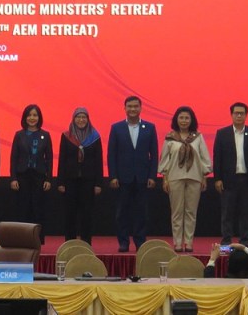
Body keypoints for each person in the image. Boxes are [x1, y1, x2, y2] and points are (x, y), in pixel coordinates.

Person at [107, 96, 158, 252]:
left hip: (143, 177)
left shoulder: (150, 127)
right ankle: (123, 242)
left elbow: (154, 154)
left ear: (140, 108)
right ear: (125, 108)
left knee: (141, 212)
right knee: (122, 212)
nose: (133, 109)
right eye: (129, 106)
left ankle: (140, 242)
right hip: (122, 177)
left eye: (136, 106)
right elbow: (111, 154)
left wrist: (152, 176)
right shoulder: (116, 128)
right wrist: (113, 176)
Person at [158, 106, 212, 252]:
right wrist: (165, 179)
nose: (184, 120)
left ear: (191, 120)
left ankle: (188, 242)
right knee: (177, 212)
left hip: (195, 177)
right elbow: (165, 159)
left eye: (187, 118)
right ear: (176, 119)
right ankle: (177, 242)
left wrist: (204, 177)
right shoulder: (170, 137)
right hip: (174, 177)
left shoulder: (198, 137)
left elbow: (204, 157)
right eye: (181, 117)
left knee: (191, 212)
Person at [213, 102, 248, 248]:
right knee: (227, 212)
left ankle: (245, 242)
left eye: (242, 113)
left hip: (247, 179)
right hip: (228, 179)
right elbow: (217, 157)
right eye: (236, 113)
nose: (239, 116)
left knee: (245, 212)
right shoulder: (222, 133)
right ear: (232, 115)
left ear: (246, 115)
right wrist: (217, 178)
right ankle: (226, 242)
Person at [57, 107, 103, 245]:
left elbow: (98, 161)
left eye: (84, 117)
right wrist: (60, 182)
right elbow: (62, 159)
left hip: (88, 181)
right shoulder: (66, 136)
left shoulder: (95, 137)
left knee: (86, 214)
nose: (81, 120)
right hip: (70, 180)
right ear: (73, 119)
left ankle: (86, 243)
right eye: (78, 117)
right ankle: (69, 243)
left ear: (88, 119)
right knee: (70, 214)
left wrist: (98, 183)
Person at [10, 104, 53, 244]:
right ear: (25, 117)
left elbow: (49, 159)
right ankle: (22, 238)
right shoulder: (19, 135)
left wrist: (48, 179)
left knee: (38, 208)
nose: (32, 118)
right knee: (23, 208)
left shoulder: (45, 135)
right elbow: (14, 158)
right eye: (29, 115)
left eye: (35, 115)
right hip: (22, 176)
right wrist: (13, 178)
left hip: (39, 176)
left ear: (39, 118)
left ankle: (38, 239)